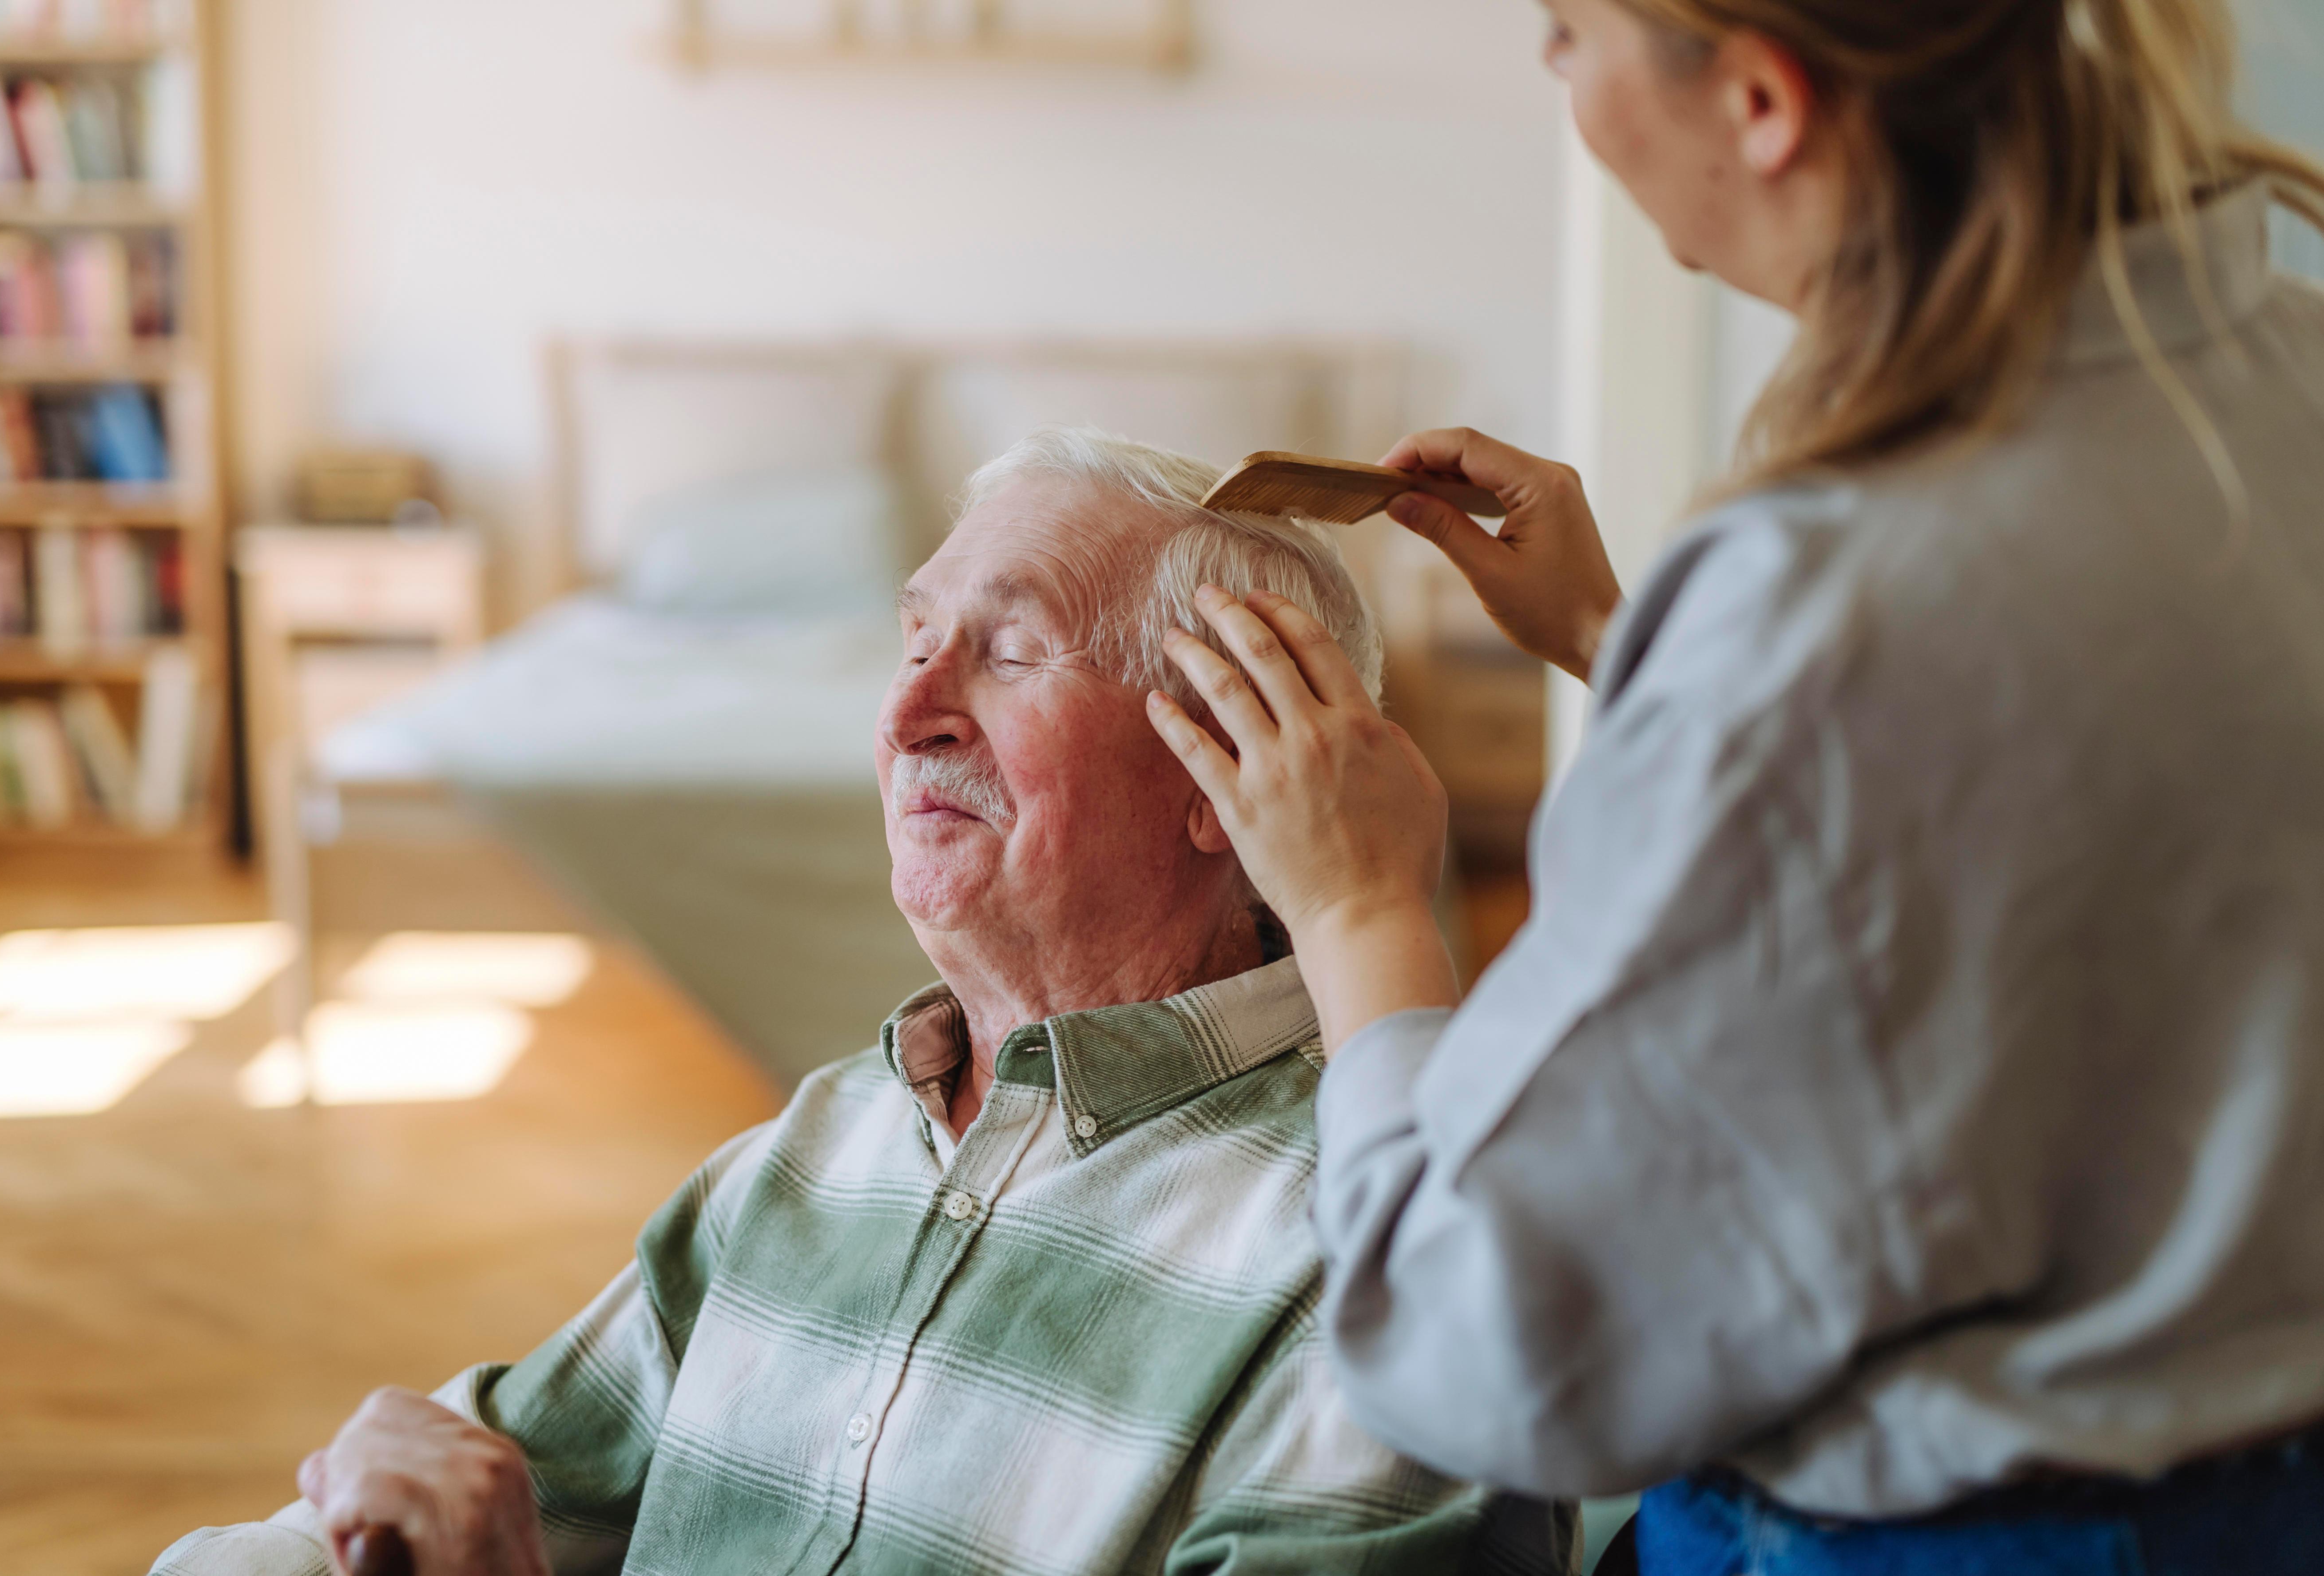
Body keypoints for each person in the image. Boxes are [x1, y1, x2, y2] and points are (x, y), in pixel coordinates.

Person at [1143, 0, 2324, 1570]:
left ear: (1762, 100)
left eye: (1565, 33)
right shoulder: (2279, 361)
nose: (1553, 74)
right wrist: (1624, 643)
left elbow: (1471, 1347)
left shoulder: (1828, 594)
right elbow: (2039, 806)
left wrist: (1362, 907)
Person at [151, 429, 1579, 1576]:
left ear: (1236, 765)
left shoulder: (1383, 1243)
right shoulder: (817, 1143)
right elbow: (487, 1465)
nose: (904, 719)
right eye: (909, 643)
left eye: (1011, 651)